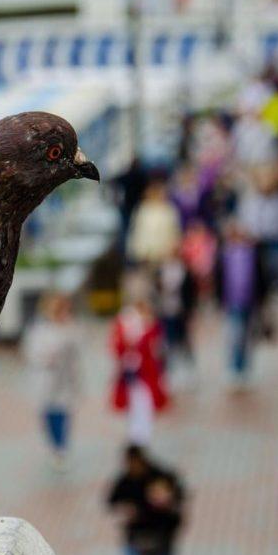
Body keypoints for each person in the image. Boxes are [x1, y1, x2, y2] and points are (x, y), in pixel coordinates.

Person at [108, 445, 186, 555]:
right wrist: (124, 509)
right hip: (135, 541)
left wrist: (167, 499)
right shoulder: (125, 481)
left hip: (161, 539)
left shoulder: (160, 477)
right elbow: (111, 502)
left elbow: (179, 495)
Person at [23, 293, 82, 468]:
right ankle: (56, 447)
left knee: (64, 412)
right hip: (46, 379)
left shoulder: (71, 327)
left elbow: (78, 347)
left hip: (66, 379)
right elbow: (32, 352)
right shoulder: (40, 329)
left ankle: (61, 447)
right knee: (49, 413)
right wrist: (49, 356)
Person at [215, 220, 268, 388]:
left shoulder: (253, 254)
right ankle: (234, 367)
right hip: (232, 302)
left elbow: (261, 278)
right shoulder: (224, 255)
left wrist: (261, 300)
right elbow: (219, 280)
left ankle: (245, 368)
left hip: (250, 301)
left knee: (247, 336)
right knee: (235, 335)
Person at [110, 294, 169, 445]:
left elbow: (156, 349)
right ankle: (135, 434)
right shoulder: (124, 324)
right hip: (130, 371)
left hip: (147, 371)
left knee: (145, 402)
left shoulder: (152, 326)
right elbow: (116, 346)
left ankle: (143, 435)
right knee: (132, 402)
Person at [152, 251, 199, 390]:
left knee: (184, 342)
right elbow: (155, 293)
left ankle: (189, 370)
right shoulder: (160, 272)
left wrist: (190, 312)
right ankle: (168, 372)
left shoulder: (185, 272)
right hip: (166, 313)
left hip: (181, 313)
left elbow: (191, 293)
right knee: (167, 343)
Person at [127, 180, 181, 268]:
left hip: (164, 256)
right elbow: (137, 232)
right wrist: (139, 252)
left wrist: (171, 250)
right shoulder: (142, 209)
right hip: (145, 257)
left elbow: (174, 231)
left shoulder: (169, 210)